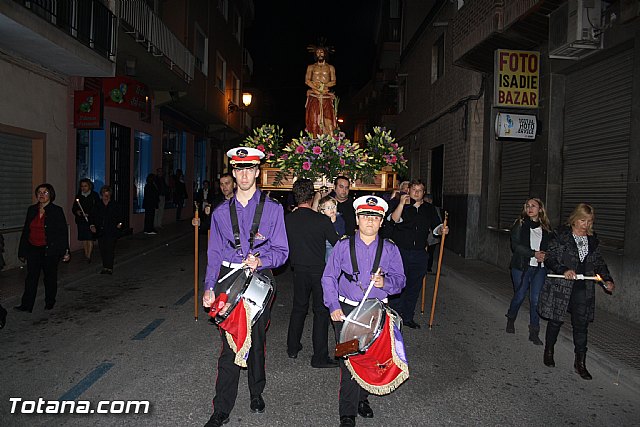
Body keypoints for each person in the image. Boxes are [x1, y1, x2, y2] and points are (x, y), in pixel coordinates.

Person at [202, 147, 288, 427]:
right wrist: (208, 287)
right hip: (229, 279)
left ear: (257, 172)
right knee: (230, 343)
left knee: (257, 340)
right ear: (233, 173)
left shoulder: (273, 209)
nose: (244, 174)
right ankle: (221, 409)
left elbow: (282, 251)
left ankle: (256, 391)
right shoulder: (220, 212)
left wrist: (262, 259)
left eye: (249, 169)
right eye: (239, 169)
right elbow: (214, 253)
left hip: (260, 280)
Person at [322, 195, 406, 427]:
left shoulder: (389, 249)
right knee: (349, 359)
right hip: (346, 310)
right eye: (366, 216)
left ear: (381, 221)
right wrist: (334, 306)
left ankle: (363, 398)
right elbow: (328, 277)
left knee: (370, 357)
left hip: (375, 311)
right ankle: (347, 412)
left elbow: (401, 280)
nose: (370, 221)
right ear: (357, 219)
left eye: (375, 217)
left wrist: (385, 284)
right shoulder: (343, 245)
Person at [537, 203, 615, 380]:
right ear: (574, 218)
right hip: (562, 285)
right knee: (556, 320)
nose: (585, 225)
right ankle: (549, 350)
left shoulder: (592, 240)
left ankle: (580, 363)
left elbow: (599, 263)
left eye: (589, 221)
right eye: (582, 220)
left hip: (582, 288)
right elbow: (550, 258)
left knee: (581, 326)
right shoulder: (561, 236)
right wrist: (563, 269)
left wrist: (607, 279)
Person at [285, 179, 340, 368]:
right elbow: (336, 244)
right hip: (319, 271)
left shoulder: (288, 219)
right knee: (321, 312)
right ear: (311, 196)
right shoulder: (322, 220)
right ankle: (319, 357)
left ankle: (292, 347)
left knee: (299, 308)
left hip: (298, 269)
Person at [387, 179, 448, 329]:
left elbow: (437, 226)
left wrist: (442, 230)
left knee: (414, 287)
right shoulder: (399, 204)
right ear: (408, 190)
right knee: (397, 285)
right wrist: (401, 204)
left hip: (419, 253)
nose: (416, 193)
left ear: (423, 193)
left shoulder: (429, 208)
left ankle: (408, 317)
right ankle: (393, 317)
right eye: (413, 189)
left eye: (419, 190)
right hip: (400, 252)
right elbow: (393, 220)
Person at [15, 184, 70, 313]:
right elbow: (26, 231)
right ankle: (26, 305)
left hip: (50, 250)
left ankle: (50, 302)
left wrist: (65, 251)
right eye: (39, 192)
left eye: (45, 192)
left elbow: (62, 232)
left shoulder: (56, 211)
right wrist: (22, 251)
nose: (41, 195)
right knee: (31, 278)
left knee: (49, 277)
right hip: (33, 249)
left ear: (50, 195)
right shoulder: (32, 210)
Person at [504, 198, 553, 345]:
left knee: (535, 299)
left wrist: (545, 255)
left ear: (540, 209)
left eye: (533, 206)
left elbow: (551, 247)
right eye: (527, 206)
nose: (530, 208)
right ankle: (511, 318)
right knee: (519, 295)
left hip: (539, 268)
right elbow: (515, 246)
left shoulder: (546, 228)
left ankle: (534, 331)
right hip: (521, 266)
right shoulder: (519, 224)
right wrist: (533, 254)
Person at [89, 186, 123, 275]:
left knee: (110, 249)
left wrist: (119, 224)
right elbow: (92, 216)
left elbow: (120, 216)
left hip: (111, 230)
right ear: (102, 195)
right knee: (102, 249)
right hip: (101, 230)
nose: (106, 197)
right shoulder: (97, 205)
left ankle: (109, 267)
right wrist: (92, 225)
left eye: (108, 195)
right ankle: (105, 266)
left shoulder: (115, 205)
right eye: (104, 195)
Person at [305, 44, 337, 136]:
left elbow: (333, 81)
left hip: (326, 95)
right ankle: (314, 139)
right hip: (314, 95)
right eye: (317, 52)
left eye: (321, 52)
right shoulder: (311, 67)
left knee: (328, 119)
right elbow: (307, 80)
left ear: (325, 53)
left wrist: (324, 86)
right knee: (314, 119)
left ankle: (328, 139)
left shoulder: (330, 67)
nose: (319, 54)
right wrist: (316, 88)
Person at [72, 178, 100, 262]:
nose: (83, 188)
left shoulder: (94, 195)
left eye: (85, 186)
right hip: (81, 220)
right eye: (82, 186)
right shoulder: (78, 196)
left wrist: (90, 213)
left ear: (89, 186)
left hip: (91, 220)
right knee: (84, 238)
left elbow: (97, 207)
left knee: (90, 238)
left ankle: (89, 255)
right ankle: (86, 254)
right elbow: (74, 208)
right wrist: (77, 212)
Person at [318, 195, 345, 260]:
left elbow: (341, 232)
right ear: (322, 211)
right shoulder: (321, 220)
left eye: (333, 207)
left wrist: (334, 222)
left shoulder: (339, 219)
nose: (331, 209)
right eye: (328, 208)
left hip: (336, 242)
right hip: (324, 244)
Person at [424, 193, 442, 273]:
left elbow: (437, 223)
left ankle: (428, 266)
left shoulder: (434, 209)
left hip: (432, 236)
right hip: (424, 235)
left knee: (430, 252)